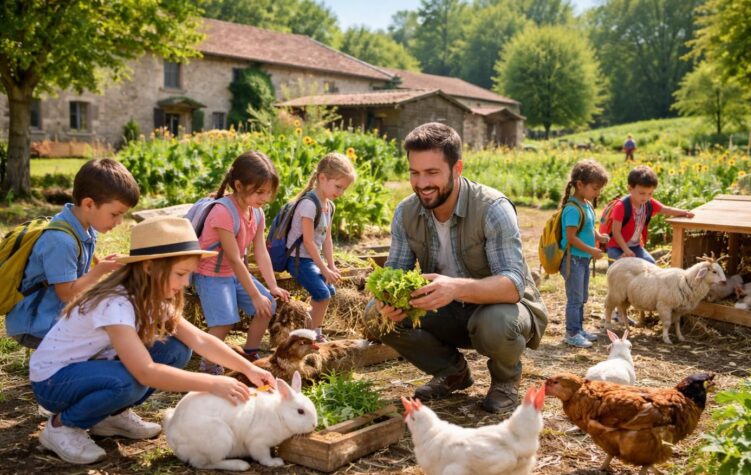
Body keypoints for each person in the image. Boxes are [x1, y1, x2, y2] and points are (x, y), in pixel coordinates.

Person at [29, 216, 276, 465]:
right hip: (53, 382)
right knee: (129, 381)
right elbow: (146, 372)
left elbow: (199, 340)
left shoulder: (150, 297)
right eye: (180, 274)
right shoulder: (115, 303)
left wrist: (248, 368)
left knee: (176, 349)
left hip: (88, 372)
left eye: (189, 274)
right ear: (148, 268)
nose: (185, 283)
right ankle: (62, 427)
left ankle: (109, 415)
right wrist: (213, 383)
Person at [365, 122, 548, 414]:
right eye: (415, 172)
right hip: (446, 309)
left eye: (432, 172)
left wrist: (455, 287)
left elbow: (513, 285)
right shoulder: (406, 212)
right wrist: (388, 301)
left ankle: (505, 381)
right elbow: (395, 273)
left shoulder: (492, 208)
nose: (422, 183)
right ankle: (452, 372)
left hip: (501, 309)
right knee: (374, 315)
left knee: (496, 324)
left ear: (457, 168)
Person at [6, 158, 139, 348]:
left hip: (57, 315)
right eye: (115, 214)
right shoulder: (62, 241)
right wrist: (99, 271)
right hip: (35, 325)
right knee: (114, 339)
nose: (119, 222)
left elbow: (78, 275)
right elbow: (67, 295)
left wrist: (102, 266)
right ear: (88, 204)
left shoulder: (84, 229)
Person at [192, 151, 290, 374]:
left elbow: (261, 250)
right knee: (223, 321)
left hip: (233, 273)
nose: (264, 198)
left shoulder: (256, 213)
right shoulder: (222, 212)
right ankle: (208, 366)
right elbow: (235, 258)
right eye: (259, 192)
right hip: (210, 274)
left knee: (268, 306)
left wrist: (271, 286)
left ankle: (249, 355)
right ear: (238, 185)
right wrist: (255, 295)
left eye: (268, 192)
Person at [286, 152, 356, 343]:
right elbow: (308, 242)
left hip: (311, 259)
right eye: (338, 186)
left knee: (329, 292)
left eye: (344, 189)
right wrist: (324, 269)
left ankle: (305, 331)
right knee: (322, 294)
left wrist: (331, 266)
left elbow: (327, 239)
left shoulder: (329, 206)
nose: (340, 192)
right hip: (298, 259)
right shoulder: (309, 204)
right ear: (322, 178)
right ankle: (312, 335)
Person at [559, 159, 610, 349]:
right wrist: (592, 250)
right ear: (580, 185)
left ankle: (579, 329)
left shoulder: (586, 204)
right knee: (575, 298)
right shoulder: (572, 209)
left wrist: (599, 236)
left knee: (582, 297)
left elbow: (587, 228)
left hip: (583, 259)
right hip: (573, 260)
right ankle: (571, 333)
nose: (598, 193)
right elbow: (571, 237)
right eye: (595, 188)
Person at [606, 165, 694, 264]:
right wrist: (626, 250)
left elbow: (666, 209)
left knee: (650, 264)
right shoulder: (621, 206)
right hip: (617, 246)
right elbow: (615, 232)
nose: (646, 197)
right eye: (642, 193)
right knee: (621, 270)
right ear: (630, 188)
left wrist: (685, 213)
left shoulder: (648, 203)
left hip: (635, 246)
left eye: (650, 193)